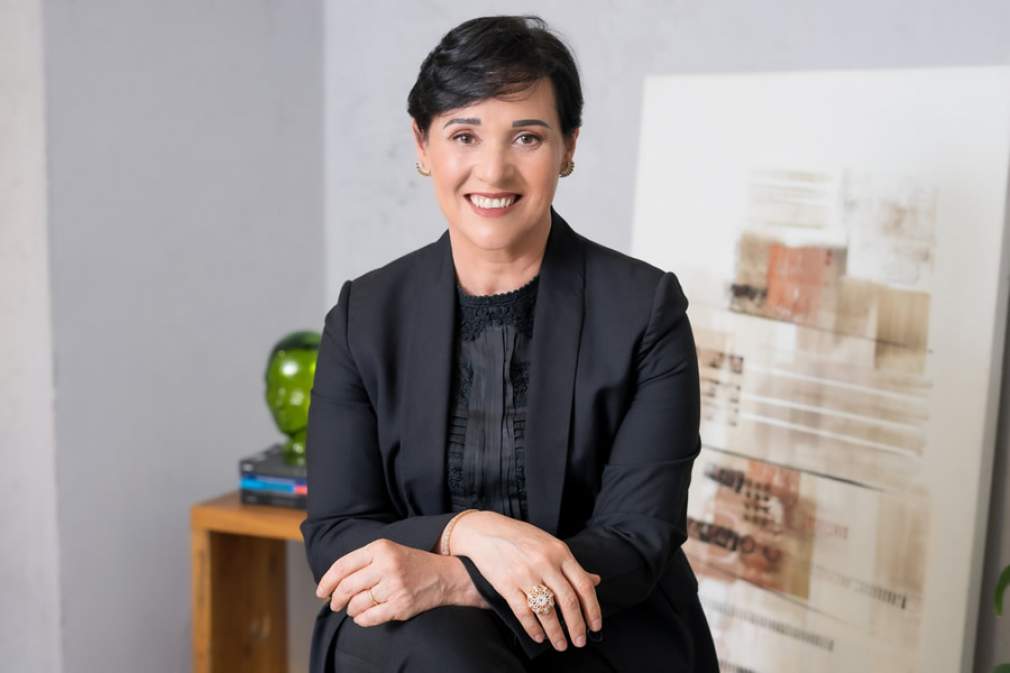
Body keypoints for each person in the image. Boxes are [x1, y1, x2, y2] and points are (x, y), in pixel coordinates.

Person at [300, 14, 719, 673]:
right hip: (415, 635)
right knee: (432, 646)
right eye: (463, 135)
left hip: (601, 628)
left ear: (569, 147)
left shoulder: (645, 309)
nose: (493, 171)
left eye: (527, 136)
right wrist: (464, 530)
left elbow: (638, 540)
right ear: (422, 144)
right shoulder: (364, 314)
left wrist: (455, 577)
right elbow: (335, 531)